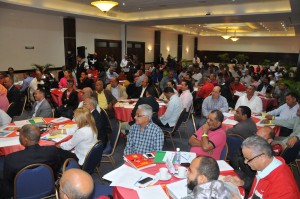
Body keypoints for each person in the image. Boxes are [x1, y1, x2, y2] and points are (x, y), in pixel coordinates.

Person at [3, 124, 61, 198]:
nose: (19, 137)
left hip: (22, 194)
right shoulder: (52, 151)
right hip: (47, 189)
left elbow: (8, 184)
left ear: (25, 140)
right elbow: (56, 170)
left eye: (20, 136)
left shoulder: (11, 159)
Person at [225, 127, 275, 194]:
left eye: (260, 138)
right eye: (255, 136)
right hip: (239, 179)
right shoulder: (250, 147)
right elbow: (234, 157)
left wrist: (242, 180)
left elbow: (259, 185)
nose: (255, 140)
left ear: (269, 141)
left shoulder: (268, 161)